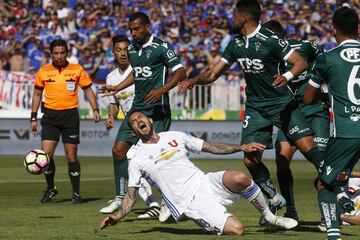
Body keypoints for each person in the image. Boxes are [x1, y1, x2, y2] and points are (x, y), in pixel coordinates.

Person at [179, 0, 323, 222]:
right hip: (256, 107)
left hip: (282, 104)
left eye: (234, 14)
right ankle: (273, 196)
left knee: (309, 150)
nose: (231, 18)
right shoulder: (236, 44)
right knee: (249, 159)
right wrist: (193, 80)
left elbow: (300, 63)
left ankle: (339, 187)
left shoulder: (270, 39)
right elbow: (213, 74)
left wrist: (286, 76)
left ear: (243, 17)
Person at [100, 111, 299, 234]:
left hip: (204, 182)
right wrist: (117, 216)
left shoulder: (175, 136)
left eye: (140, 117)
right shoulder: (136, 157)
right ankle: (204, 220)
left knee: (241, 178)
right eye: (133, 122)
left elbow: (210, 146)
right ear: (133, 131)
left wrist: (241, 147)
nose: (138, 121)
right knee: (238, 230)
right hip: (189, 202)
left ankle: (270, 218)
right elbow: (131, 194)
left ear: (150, 120)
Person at [99, 12, 187, 222]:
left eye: (136, 29)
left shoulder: (161, 47)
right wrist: (117, 88)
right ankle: (121, 197)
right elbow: (136, 73)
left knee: (161, 159)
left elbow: (181, 72)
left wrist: (162, 90)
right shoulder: (131, 49)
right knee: (118, 150)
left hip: (158, 109)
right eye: (130, 29)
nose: (133, 33)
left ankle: (168, 201)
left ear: (148, 27)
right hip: (137, 109)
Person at [262, 20, 329, 221]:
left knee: (323, 163)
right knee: (282, 162)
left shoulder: (303, 47)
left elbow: (324, 56)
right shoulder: (265, 57)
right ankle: (291, 209)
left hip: (315, 110)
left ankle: (330, 214)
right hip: (289, 114)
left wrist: (322, 85)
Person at [304, 6, 360, 240]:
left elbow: (308, 98)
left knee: (324, 183)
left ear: (333, 29)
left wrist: (326, 95)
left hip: (348, 131)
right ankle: (342, 195)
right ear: (357, 29)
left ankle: (334, 235)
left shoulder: (327, 58)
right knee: (339, 177)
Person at [30, 39, 100, 204]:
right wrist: (33, 117)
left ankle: (76, 193)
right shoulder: (43, 71)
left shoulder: (76, 69)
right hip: (50, 117)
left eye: (62, 53)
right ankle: (51, 188)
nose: (60, 56)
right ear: (51, 54)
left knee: (71, 156)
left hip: (70, 117)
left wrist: (95, 109)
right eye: (56, 53)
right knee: (45, 156)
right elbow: (37, 95)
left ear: (67, 53)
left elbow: (88, 89)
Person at [99, 35, 161, 218]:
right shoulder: (111, 76)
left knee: (145, 163)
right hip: (129, 122)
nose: (123, 53)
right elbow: (113, 102)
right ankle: (122, 197)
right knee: (119, 152)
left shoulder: (139, 68)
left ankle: (161, 203)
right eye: (119, 50)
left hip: (146, 120)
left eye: (126, 49)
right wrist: (111, 116)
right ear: (113, 53)